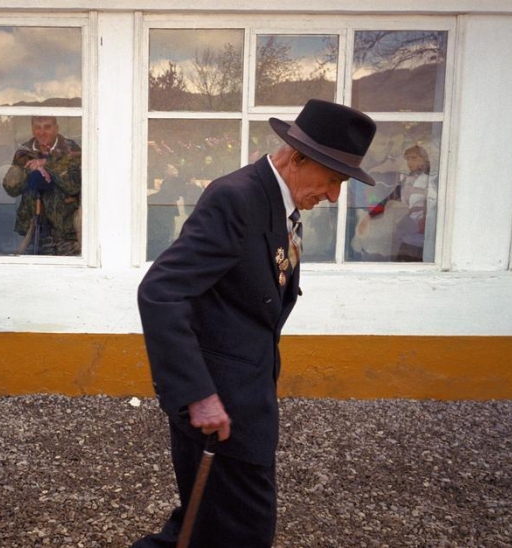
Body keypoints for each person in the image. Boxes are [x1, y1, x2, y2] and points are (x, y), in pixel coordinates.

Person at [132, 99, 376, 548]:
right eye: (333, 178)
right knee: (239, 531)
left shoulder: (279, 203)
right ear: (297, 157)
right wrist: (197, 395)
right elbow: (161, 292)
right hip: (219, 407)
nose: (335, 195)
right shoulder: (238, 198)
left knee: (204, 526)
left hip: (246, 397)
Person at [2, 116, 82, 256]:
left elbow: (74, 185)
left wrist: (47, 164)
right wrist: (28, 170)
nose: (42, 132)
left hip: (65, 231)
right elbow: (11, 188)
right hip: (33, 229)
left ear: (56, 128)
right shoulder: (24, 152)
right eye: (37, 127)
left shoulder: (71, 150)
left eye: (47, 127)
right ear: (32, 130)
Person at [394, 145, 437, 262]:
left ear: (424, 159)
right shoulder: (406, 180)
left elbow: (434, 204)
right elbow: (390, 198)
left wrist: (423, 220)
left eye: (414, 158)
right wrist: (370, 216)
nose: (410, 162)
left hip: (422, 237)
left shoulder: (430, 180)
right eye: (408, 159)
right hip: (407, 233)